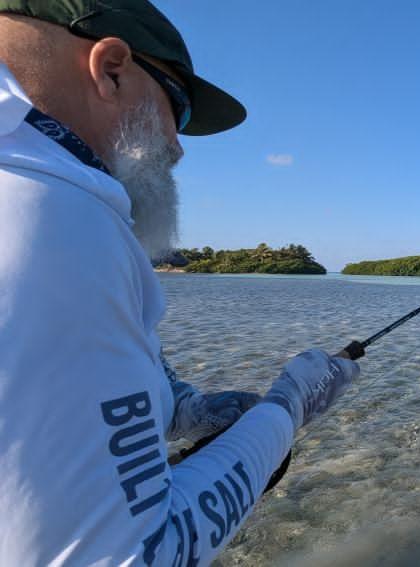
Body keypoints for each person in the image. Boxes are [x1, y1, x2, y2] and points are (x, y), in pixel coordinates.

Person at [0, 1, 362, 564]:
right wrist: (287, 411)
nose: (179, 145)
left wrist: (181, 409)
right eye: (178, 106)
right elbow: (141, 555)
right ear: (111, 67)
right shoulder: (54, 215)